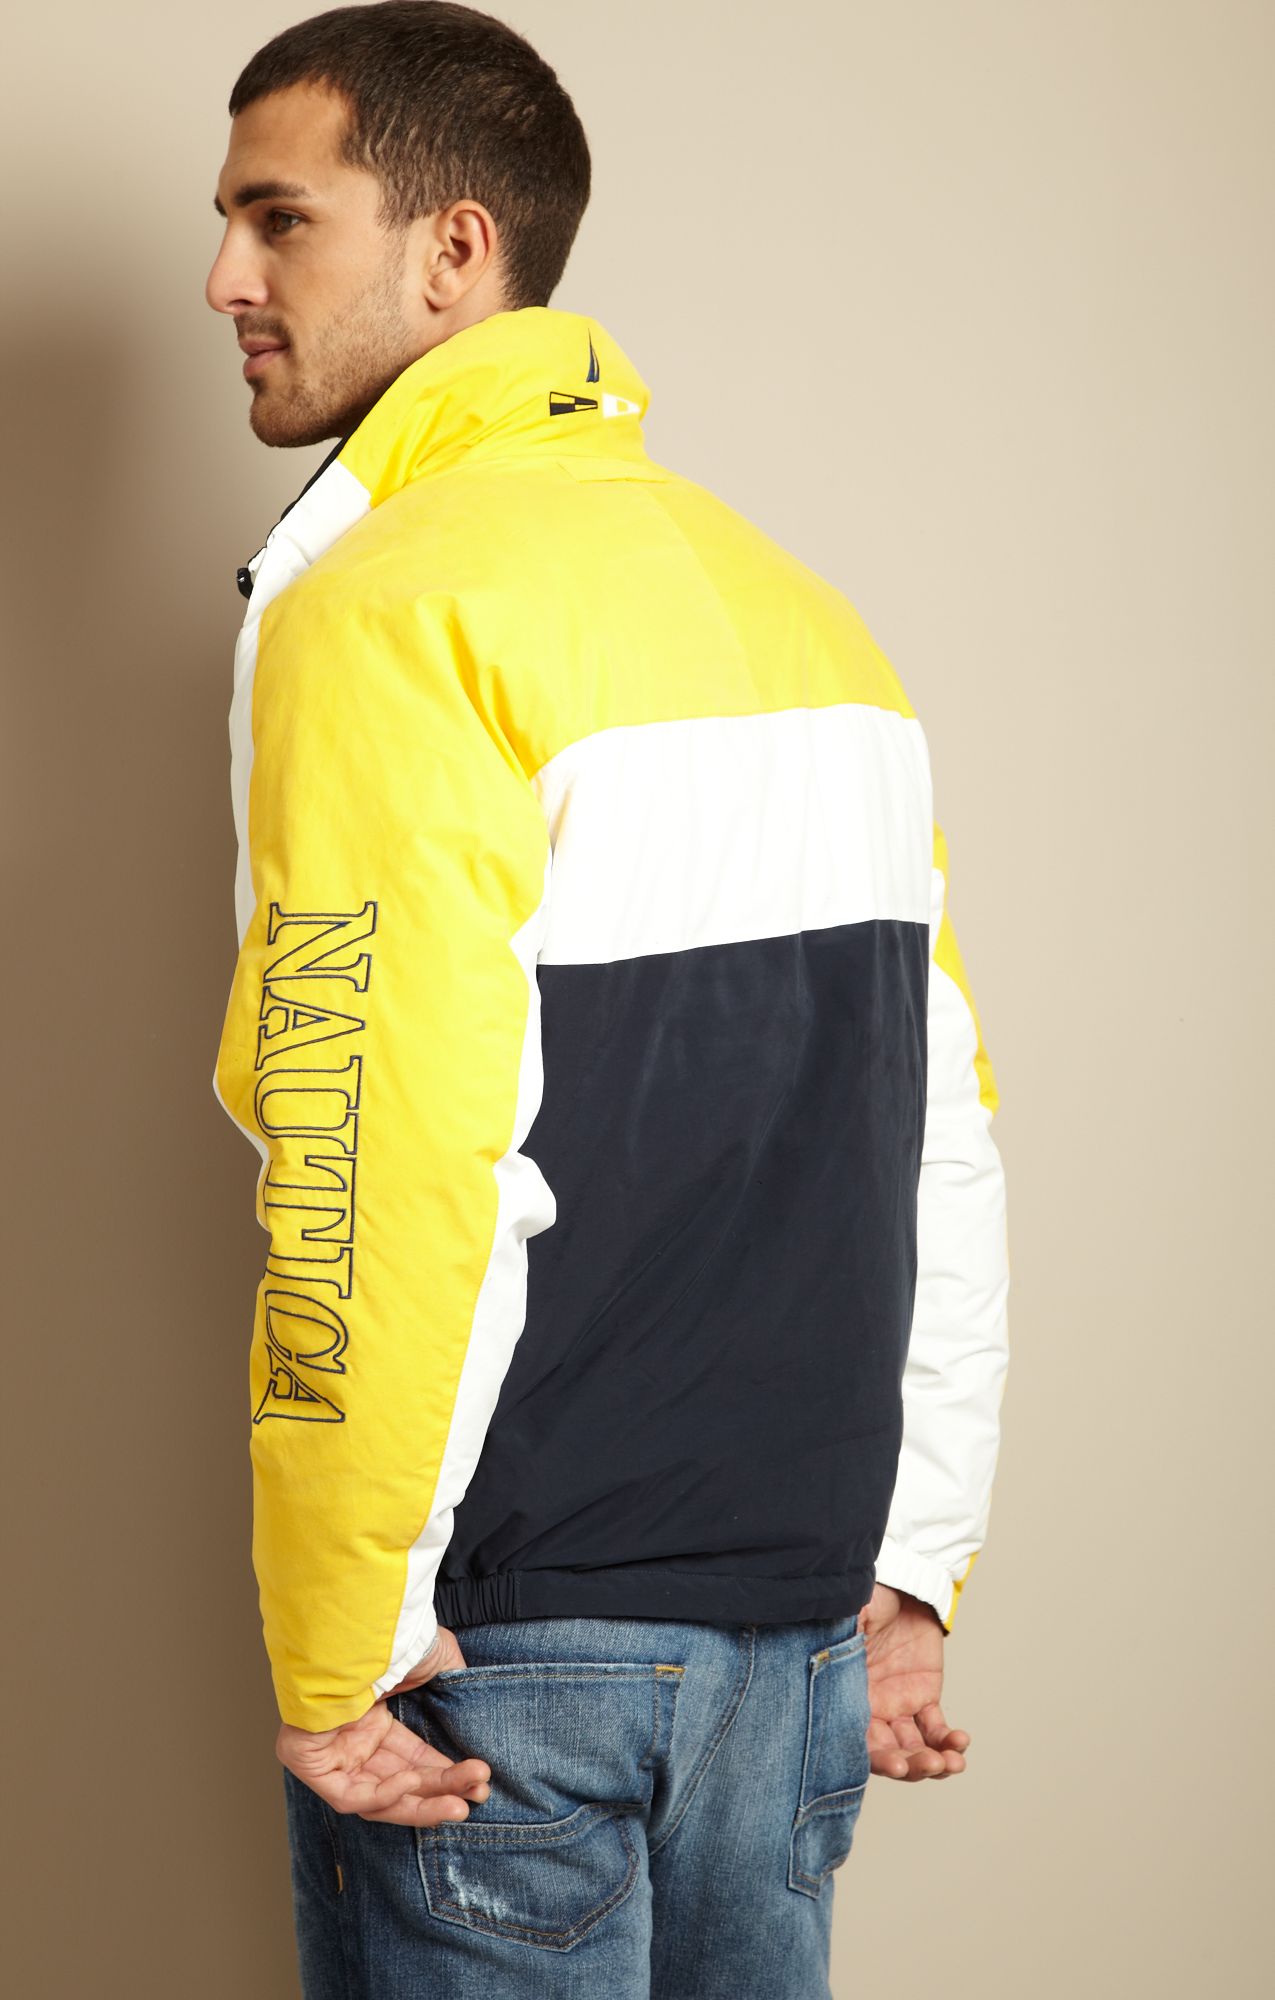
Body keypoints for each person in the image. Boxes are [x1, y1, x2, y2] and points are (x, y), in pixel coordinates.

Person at [206, 5, 1011, 1995]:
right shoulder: (809, 617)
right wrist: (910, 1569)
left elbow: (381, 1157)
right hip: (796, 1648)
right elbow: (939, 1139)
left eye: (277, 219)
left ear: (454, 249)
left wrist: (335, 1637)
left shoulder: (388, 609)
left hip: (510, 1656)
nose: (223, 278)